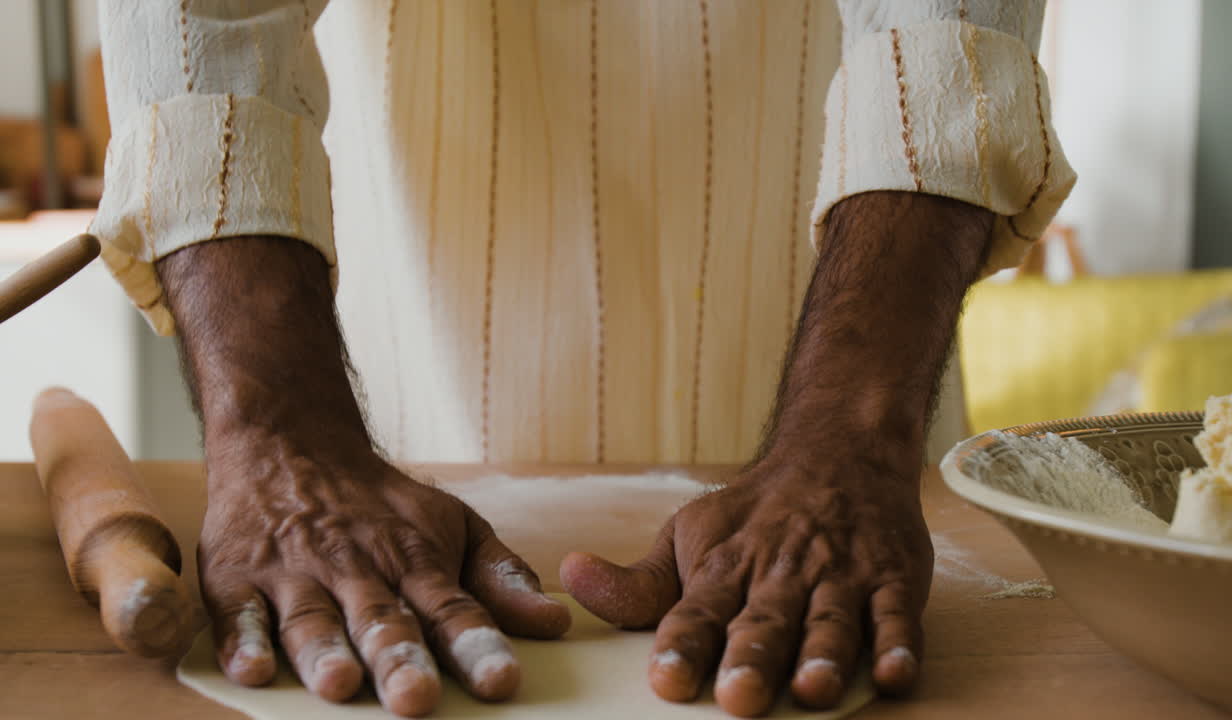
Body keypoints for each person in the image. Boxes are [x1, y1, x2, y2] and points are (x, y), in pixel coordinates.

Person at [91, 0, 1073, 716]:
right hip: (425, 382)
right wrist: (279, 436)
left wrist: (855, 433)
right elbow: (203, 28)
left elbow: (943, 31)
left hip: (860, 370)